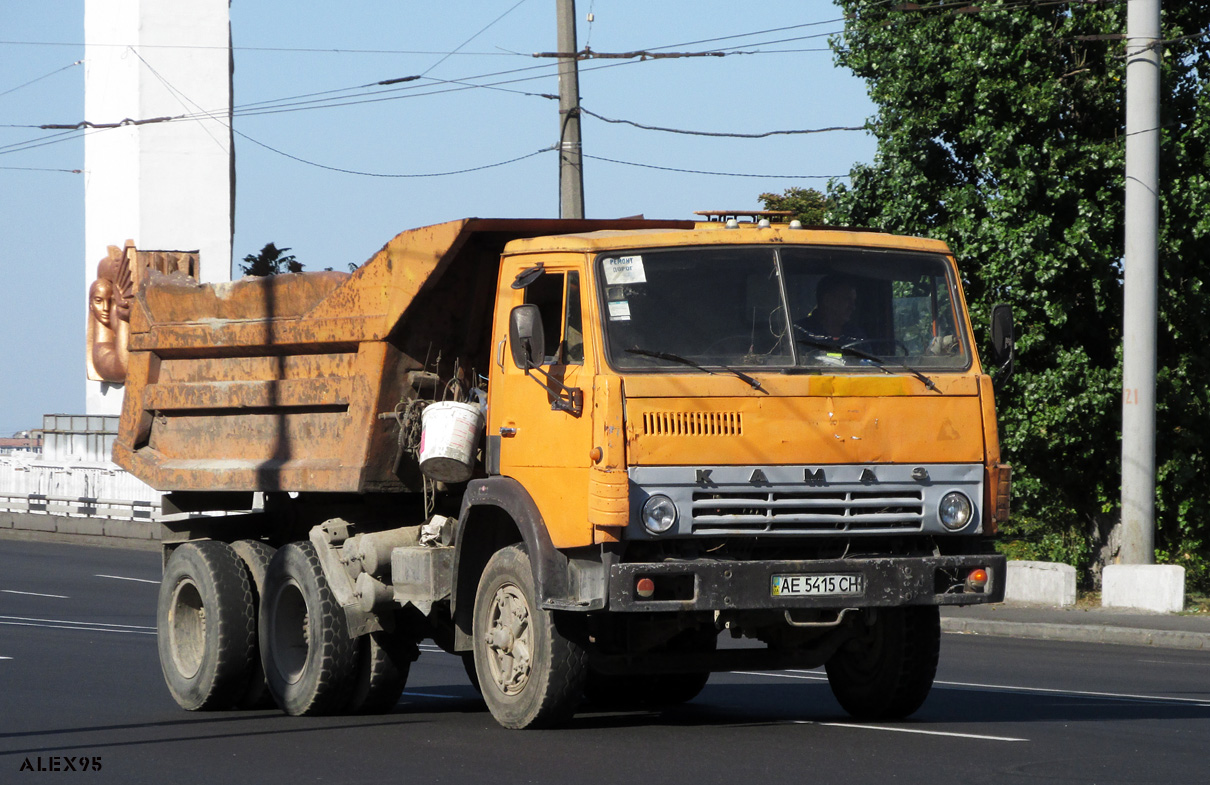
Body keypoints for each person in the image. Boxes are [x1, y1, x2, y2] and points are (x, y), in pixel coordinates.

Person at [797, 275, 861, 341]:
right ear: (827, 300)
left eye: (853, 301)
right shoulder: (799, 332)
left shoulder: (856, 335)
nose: (852, 307)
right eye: (847, 299)